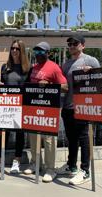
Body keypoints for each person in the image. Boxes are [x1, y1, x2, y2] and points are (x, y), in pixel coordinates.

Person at [57, 34, 100, 185]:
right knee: (72, 139)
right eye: (69, 44)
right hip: (68, 107)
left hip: (84, 108)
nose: (72, 46)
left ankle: (85, 171)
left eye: (75, 43)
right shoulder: (66, 64)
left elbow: (101, 81)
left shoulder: (91, 60)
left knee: (84, 139)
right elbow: (63, 87)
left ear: (82, 45)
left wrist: (92, 74)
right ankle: (71, 166)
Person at [24, 41, 68, 183]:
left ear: (48, 53)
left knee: (49, 140)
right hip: (33, 108)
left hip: (49, 109)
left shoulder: (54, 67)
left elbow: (66, 87)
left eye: (41, 52)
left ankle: (50, 168)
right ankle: (36, 163)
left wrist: (49, 85)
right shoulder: (33, 67)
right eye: (36, 52)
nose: (38, 54)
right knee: (33, 137)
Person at [0, 39, 30, 175]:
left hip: (21, 106)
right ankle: (0, 161)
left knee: (19, 134)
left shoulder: (27, 69)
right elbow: (4, 85)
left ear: (22, 50)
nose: (14, 51)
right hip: (6, 106)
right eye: (12, 48)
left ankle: (16, 161)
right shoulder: (5, 67)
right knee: (4, 134)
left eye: (17, 49)